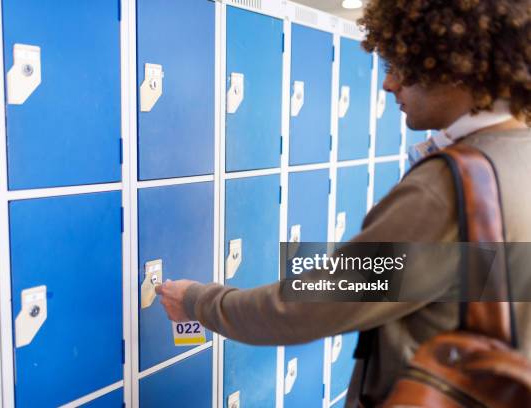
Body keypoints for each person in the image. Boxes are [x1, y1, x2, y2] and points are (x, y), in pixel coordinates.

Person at [156, 0, 531, 406]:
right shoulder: (518, 157)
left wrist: (196, 300)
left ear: (459, 66)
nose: (389, 85)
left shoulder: (450, 190)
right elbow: (456, 275)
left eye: (404, 66)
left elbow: (305, 309)